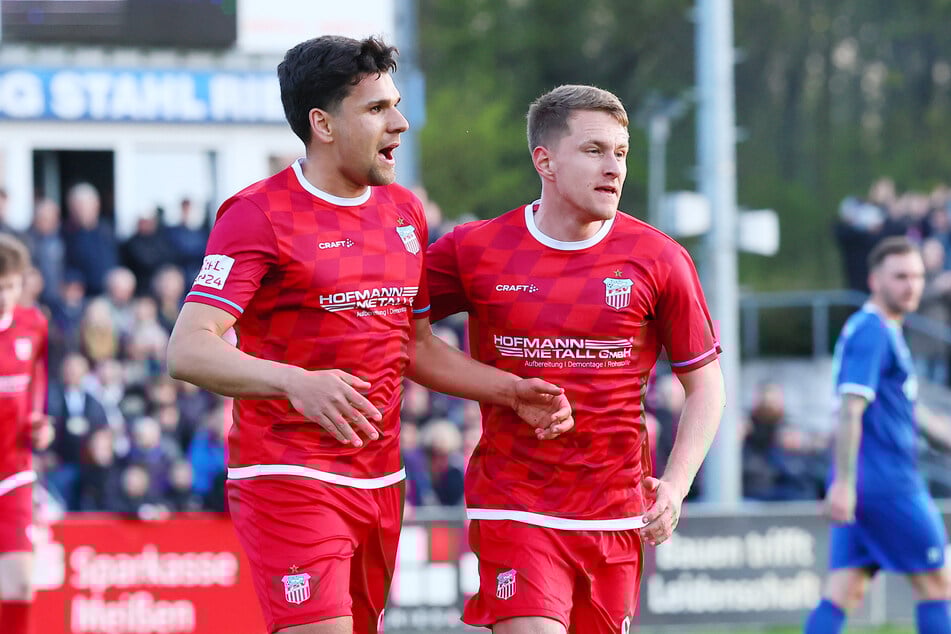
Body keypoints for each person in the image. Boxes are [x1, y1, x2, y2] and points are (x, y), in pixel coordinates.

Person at [166, 35, 573, 634]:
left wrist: (509, 391)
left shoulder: (403, 212)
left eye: (396, 104)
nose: (400, 123)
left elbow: (417, 347)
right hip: (289, 474)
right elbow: (188, 347)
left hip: (382, 479)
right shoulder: (258, 214)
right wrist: (295, 383)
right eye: (377, 109)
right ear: (323, 124)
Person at [426, 84, 726, 634]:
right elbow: (398, 332)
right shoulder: (477, 250)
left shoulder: (659, 258)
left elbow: (706, 385)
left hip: (615, 511)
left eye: (621, 152)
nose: (613, 166)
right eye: (593, 150)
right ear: (545, 160)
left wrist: (677, 485)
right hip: (515, 502)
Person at [805, 236, 951, 634]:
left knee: (844, 590)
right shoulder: (872, 330)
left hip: (866, 484)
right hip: (885, 483)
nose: (912, 285)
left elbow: (909, 412)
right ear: (875, 280)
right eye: (901, 276)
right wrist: (845, 486)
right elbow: (851, 409)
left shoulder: (884, 331)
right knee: (939, 584)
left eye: (918, 276)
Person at [0, 234, 54, 634]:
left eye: (10, 286)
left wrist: (43, 429)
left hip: (14, 473)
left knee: (19, 584)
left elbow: (38, 394)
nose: (4, 295)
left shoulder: (34, 325)